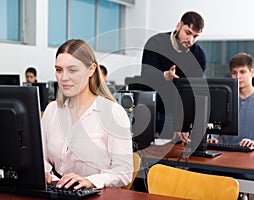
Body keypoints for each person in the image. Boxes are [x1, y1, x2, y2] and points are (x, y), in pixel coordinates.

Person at [41, 39, 133, 190]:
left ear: (91, 70)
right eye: (59, 70)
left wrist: (90, 181)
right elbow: (41, 157)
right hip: (56, 191)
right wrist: (45, 172)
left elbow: (124, 172)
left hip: (93, 194)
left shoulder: (112, 113)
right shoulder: (52, 110)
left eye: (72, 70)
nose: (63, 78)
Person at [209, 52, 254, 147]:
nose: (238, 77)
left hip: (253, 154)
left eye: (242, 72)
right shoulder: (226, 100)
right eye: (234, 73)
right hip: (228, 152)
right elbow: (217, 129)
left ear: (252, 73)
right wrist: (212, 137)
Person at [141, 11, 206, 80]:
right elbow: (146, 76)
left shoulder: (199, 55)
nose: (190, 40)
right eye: (187, 33)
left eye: (195, 36)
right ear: (178, 26)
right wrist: (165, 76)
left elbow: (197, 86)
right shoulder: (155, 43)